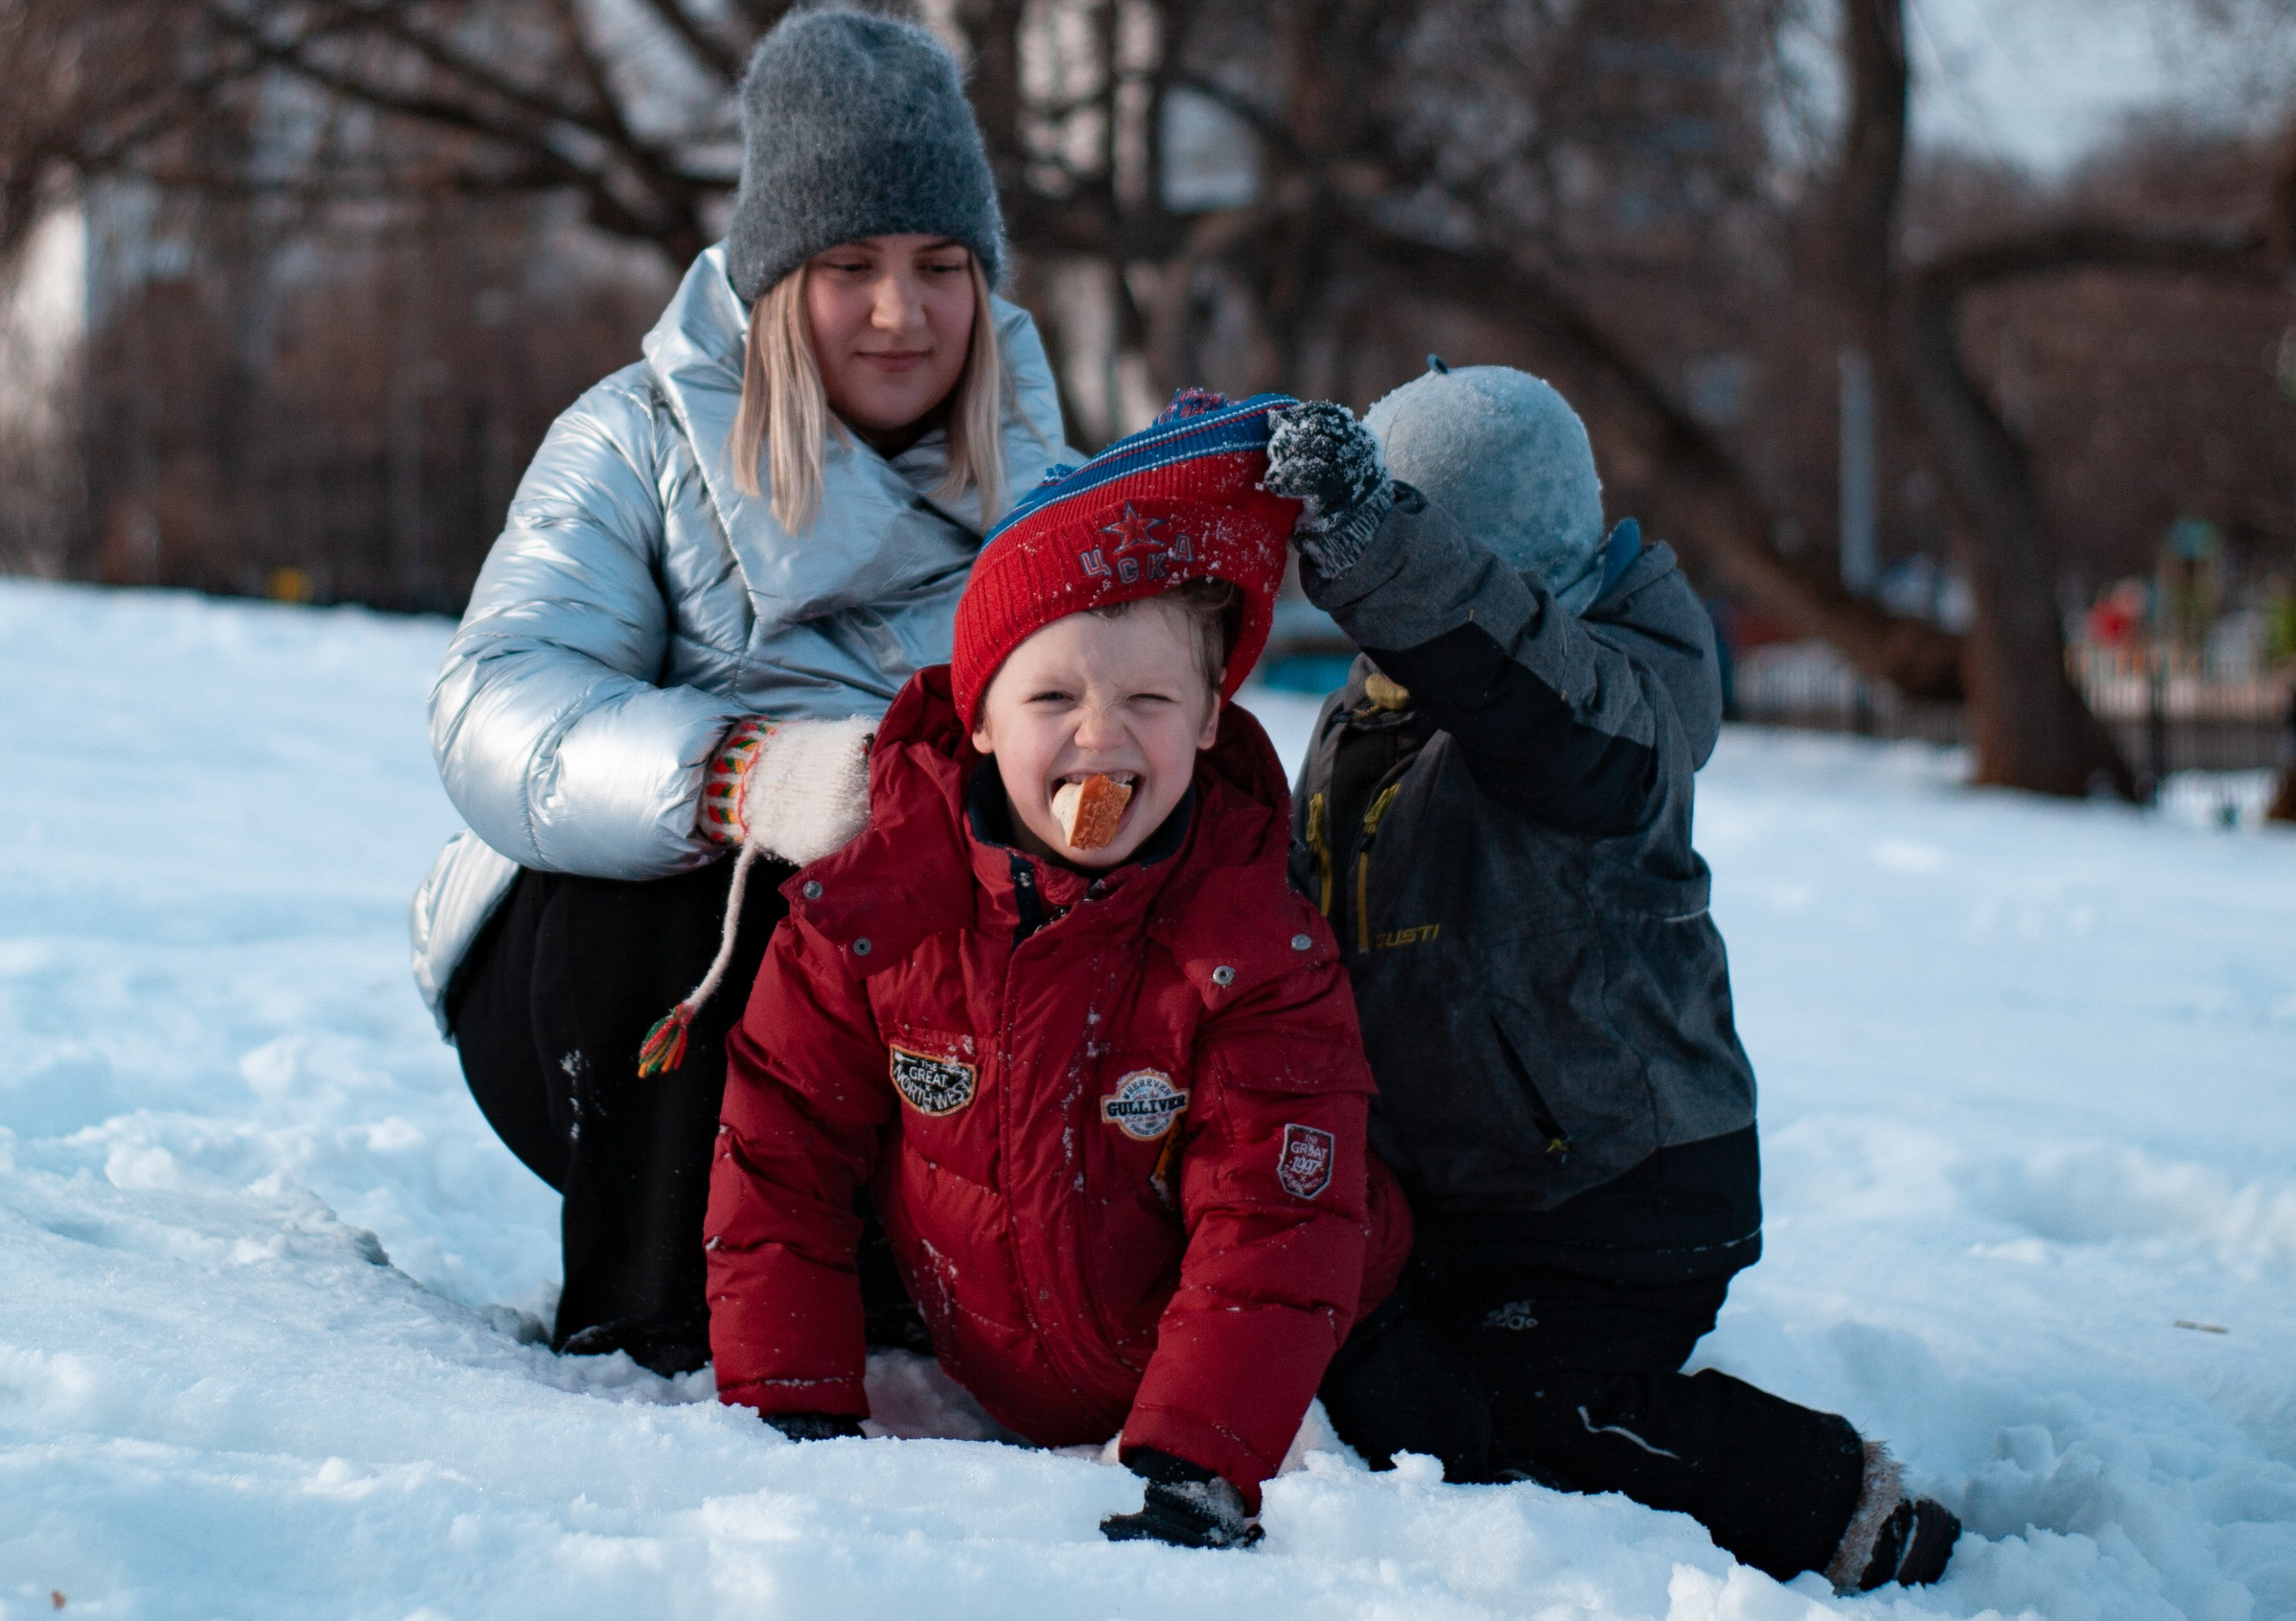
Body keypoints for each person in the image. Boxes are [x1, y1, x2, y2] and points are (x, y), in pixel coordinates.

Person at [406, 9, 1068, 1377]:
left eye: (942, 265)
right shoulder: (634, 439)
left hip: (908, 997)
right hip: (616, 1009)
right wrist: (740, 777)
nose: (903, 312)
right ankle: (650, 1315)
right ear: (776, 280)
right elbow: (493, 700)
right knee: (687, 870)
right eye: (852, 267)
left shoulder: (1048, 492)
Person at [1260, 366, 1960, 1593]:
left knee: (1540, 1418)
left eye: (1400, 555)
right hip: (1466, 1187)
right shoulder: (1365, 722)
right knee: (1381, 1380)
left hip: (1610, 1192)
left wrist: (1388, 544)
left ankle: (1843, 1506)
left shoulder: (1606, 701)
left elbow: (1535, 695)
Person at [703, 392, 1411, 1549]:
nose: (1101, 737)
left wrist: (1199, 1458)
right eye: (1051, 698)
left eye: (1148, 700)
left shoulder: (1251, 943)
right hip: (1000, 1344)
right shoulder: (879, 914)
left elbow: (1275, 1215)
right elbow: (779, 1156)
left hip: (1303, 1342)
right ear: (976, 718)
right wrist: (795, 1410)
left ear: (1206, 720)